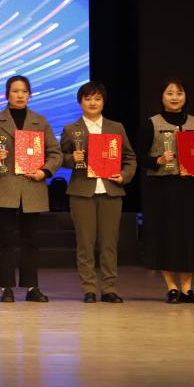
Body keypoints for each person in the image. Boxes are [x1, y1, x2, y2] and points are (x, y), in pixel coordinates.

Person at [0, 75, 61, 303]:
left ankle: (32, 287)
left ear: (30, 94)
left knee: (30, 240)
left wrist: (45, 172)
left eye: (24, 91)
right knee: (5, 240)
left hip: (33, 186)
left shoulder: (40, 121)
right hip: (5, 186)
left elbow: (55, 154)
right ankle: (6, 287)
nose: (20, 95)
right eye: (15, 91)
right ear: (7, 95)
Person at [137, 79, 194, 304]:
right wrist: (158, 160)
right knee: (165, 235)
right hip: (161, 188)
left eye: (179, 93)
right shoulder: (151, 123)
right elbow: (138, 156)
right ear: (161, 97)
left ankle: (188, 289)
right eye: (169, 93)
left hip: (190, 187)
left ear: (185, 96)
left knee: (189, 236)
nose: (174, 97)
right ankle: (172, 288)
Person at [60, 81, 137, 303]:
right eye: (88, 99)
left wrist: (123, 176)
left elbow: (130, 158)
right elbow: (59, 158)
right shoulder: (70, 129)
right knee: (85, 243)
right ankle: (89, 289)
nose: (93, 103)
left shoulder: (116, 127)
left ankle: (109, 288)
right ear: (80, 102)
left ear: (103, 102)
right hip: (82, 192)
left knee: (109, 243)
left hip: (111, 191)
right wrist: (71, 158)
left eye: (97, 98)